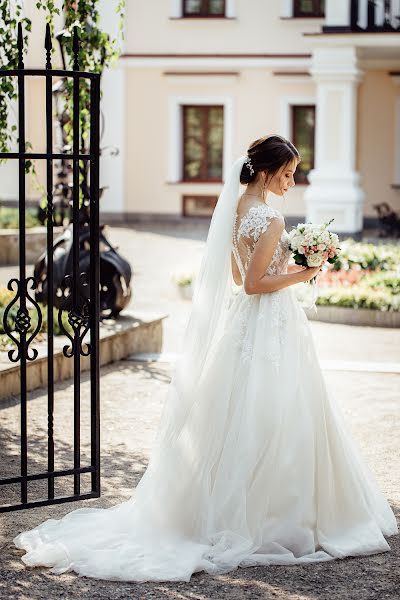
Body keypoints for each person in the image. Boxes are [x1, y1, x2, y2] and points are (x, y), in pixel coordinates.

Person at [14, 135, 398, 582]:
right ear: (268, 171)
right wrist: (307, 270)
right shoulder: (270, 218)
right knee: (277, 409)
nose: (293, 182)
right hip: (270, 322)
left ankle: (218, 506)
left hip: (245, 325)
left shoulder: (238, 209)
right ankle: (275, 514)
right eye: (289, 174)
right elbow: (255, 284)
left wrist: (286, 266)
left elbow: (236, 274)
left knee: (236, 412)